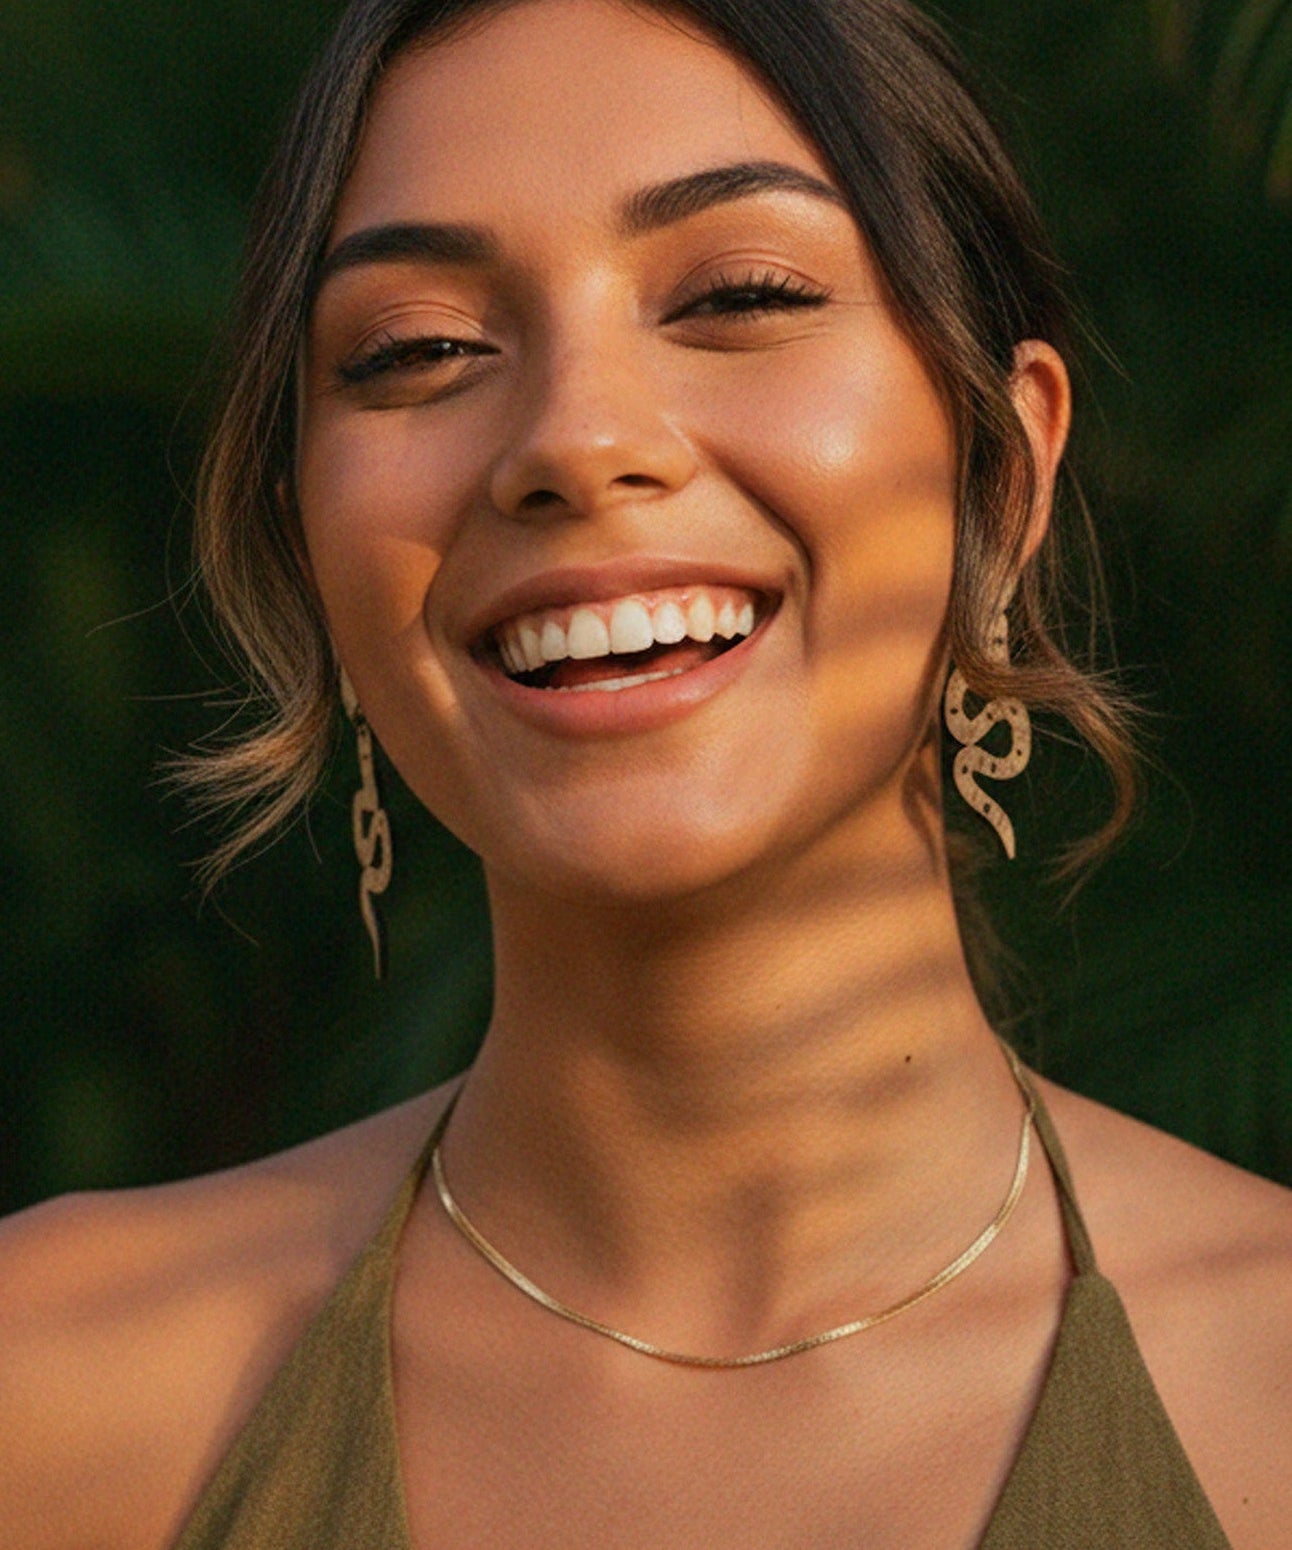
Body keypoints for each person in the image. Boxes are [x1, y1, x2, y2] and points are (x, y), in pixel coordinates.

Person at [2, 0, 1290, 1545]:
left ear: (1002, 475)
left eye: (742, 294)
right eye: (421, 348)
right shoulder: (51, 1390)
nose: (575, 437)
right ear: (307, 549)